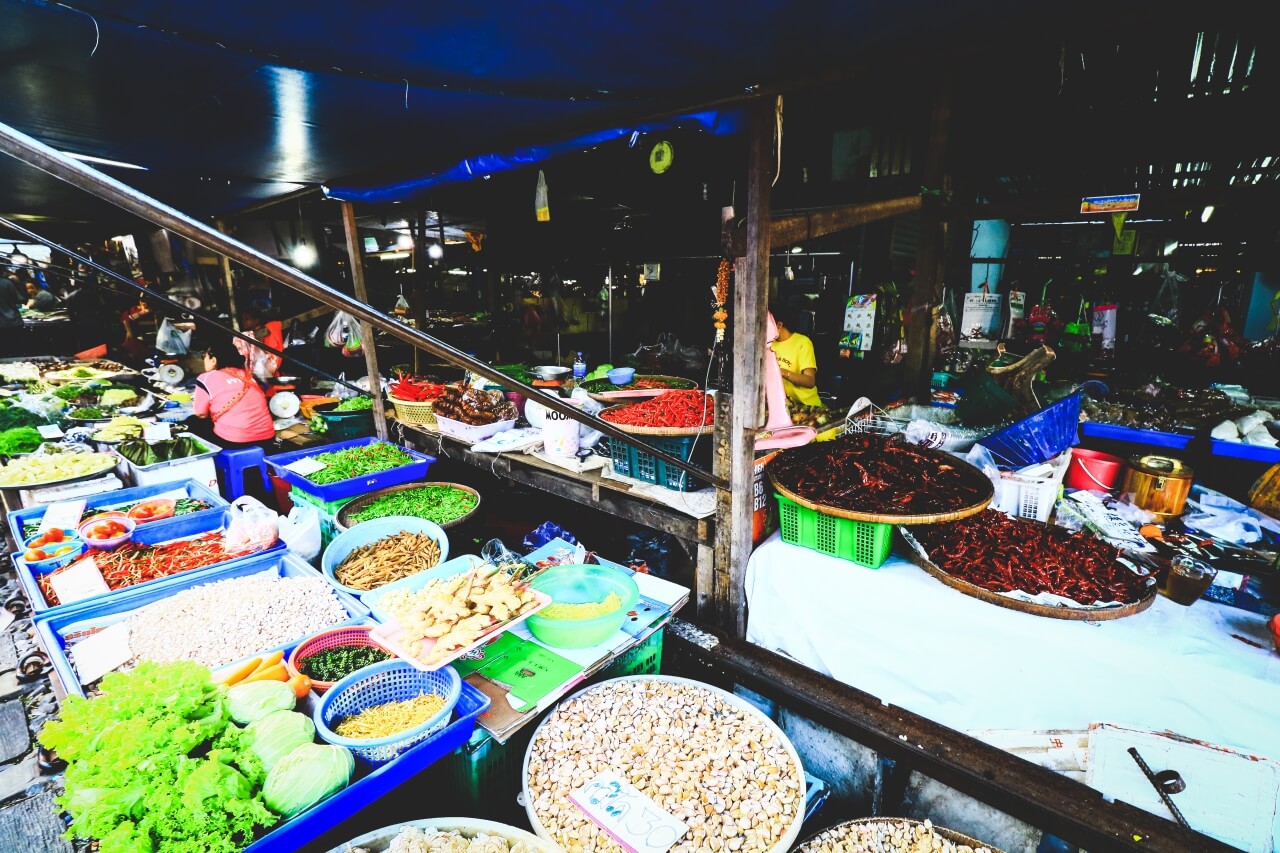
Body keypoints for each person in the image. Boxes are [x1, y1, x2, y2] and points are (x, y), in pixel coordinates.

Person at [192, 338, 276, 448]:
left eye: (205, 357)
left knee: (192, 423)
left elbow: (201, 414)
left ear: (213, 360)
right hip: (267, 439)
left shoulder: (206, 378)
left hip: (234, 441)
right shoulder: (248, 375)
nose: (204, 360)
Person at [769, 303, 821, 407]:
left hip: (807, 407)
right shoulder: (769, 345)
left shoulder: (803, 343)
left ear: (779, 325)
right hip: (784, 408)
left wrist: (783, 373)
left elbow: (810, 381)